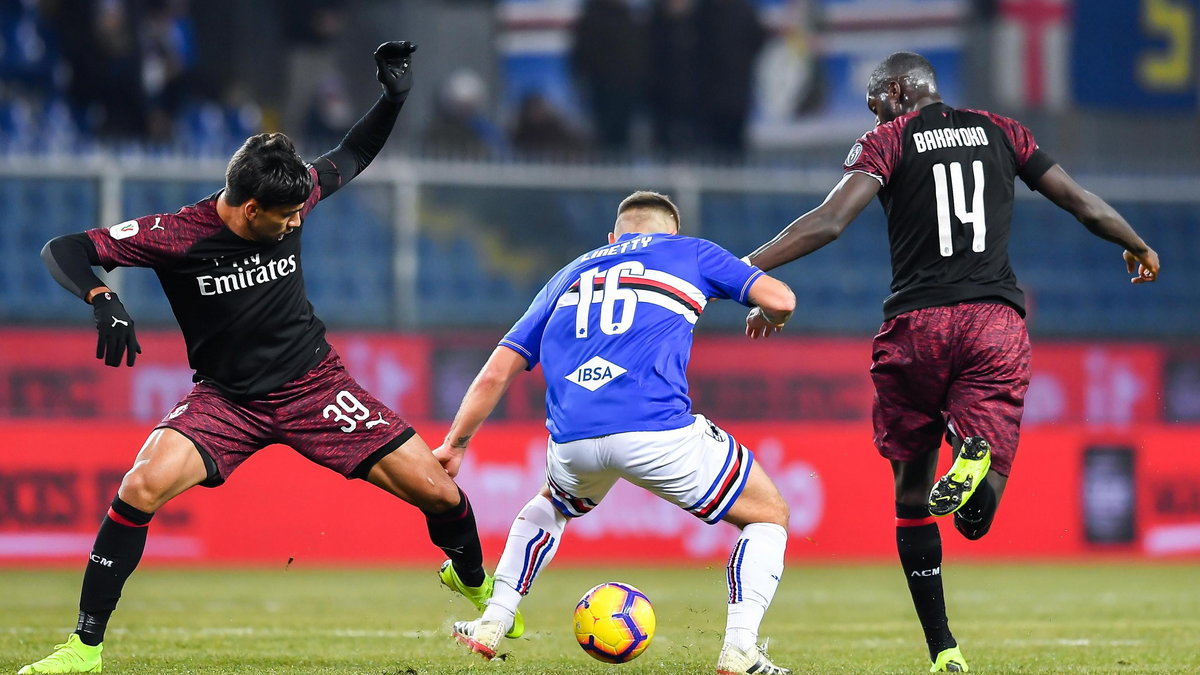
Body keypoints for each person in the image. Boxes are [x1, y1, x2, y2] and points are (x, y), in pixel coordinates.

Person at [23, 41, 520, 675]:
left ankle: (477, 588)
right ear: (249, 207)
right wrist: (101, 298)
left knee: (441, 494)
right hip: (226, 400)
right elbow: (62, 247)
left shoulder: (295, 193)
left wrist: (392, 98)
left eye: (297, 216)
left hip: (315, 385)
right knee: (139, 485)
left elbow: (354, 153)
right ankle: (83, 649)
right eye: (282, 219)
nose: (294, 226)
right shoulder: (180, 235)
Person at [742, 52, 1160, 673]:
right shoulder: (1002, 130)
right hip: (993, 324)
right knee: (976, 518)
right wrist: (1137, 242)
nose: (872, 111)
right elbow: (1079, 202)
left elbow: (830, 223)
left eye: (875, 100)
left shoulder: (888, 140)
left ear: (901, 90)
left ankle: (944, 650)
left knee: (911, 498)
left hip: (915, 328)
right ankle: (976, 462)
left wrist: (747, 268)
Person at [433, 191, 797, 675]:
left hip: (572, 440)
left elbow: (495, 373)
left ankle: (492, 621)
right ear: (671, 232)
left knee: (551, 505)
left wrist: (455, 445)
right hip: (657, 430)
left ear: (613, 237)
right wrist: (766, 315)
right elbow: (782, 299)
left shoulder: (568, 274)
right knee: (768, 514)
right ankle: (741, 648)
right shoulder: (689, 251)